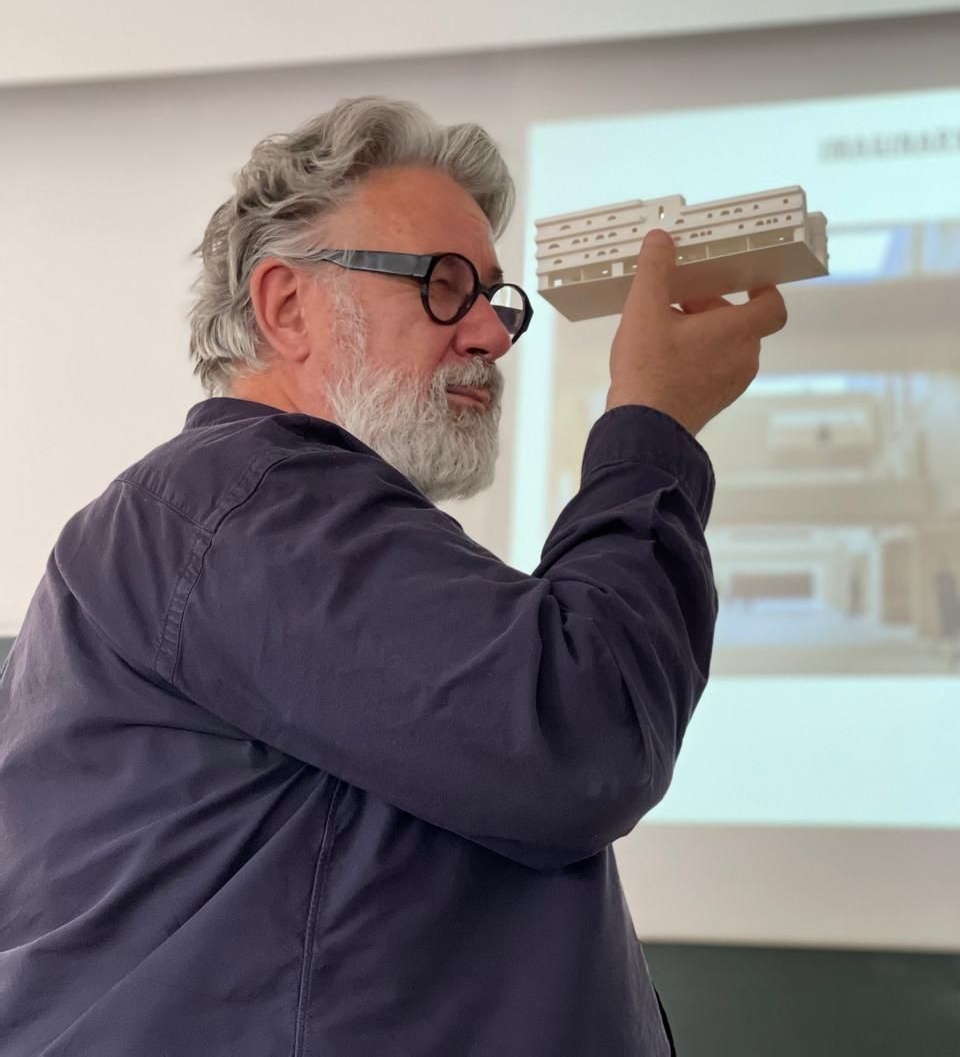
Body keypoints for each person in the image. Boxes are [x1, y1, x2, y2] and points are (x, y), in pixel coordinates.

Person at [0, 97, 788, 1056]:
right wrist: (651, 425)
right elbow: (578, 734)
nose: (492, 337)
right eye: (444, 285)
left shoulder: (237, 524)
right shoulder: (244, 502)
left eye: (496, 300)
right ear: (287, 306)